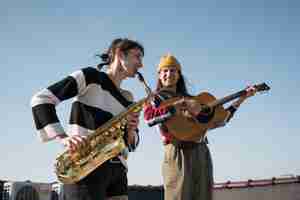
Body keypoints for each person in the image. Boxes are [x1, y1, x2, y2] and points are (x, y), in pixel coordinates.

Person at [31, 38, 144, 200]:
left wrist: (132, 130)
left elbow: (131, 144)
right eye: (137, 56)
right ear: (120, 54)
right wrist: (63, 137)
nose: (141, 64)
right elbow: (41, 99)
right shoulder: (90, 76)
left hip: (118, 172)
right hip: (85, 166)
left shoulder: (129, 98)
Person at [143, 53, 256, 200]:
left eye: (173, 70)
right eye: (165, 70)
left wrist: (242, 99)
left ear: (179, 75)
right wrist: (177, 106)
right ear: (159, 75)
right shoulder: (155, 99)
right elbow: (149, 118)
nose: (168, 74)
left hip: (201, 151)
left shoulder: (193, 100)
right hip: (178, 153)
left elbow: (221, 120)